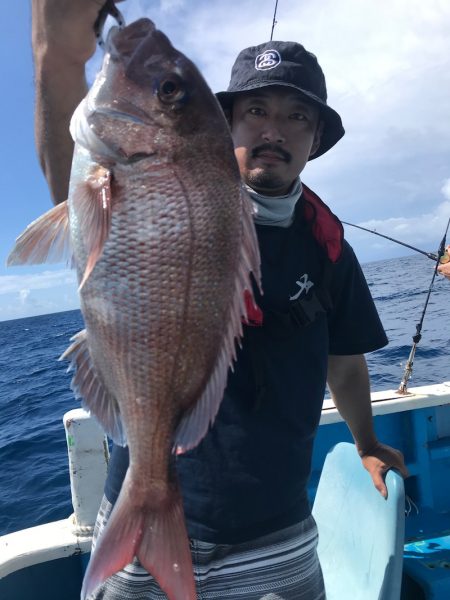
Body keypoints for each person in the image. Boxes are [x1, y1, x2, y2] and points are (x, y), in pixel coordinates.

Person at [31, 1, 409, 599]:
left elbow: (345, 357)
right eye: (256, 110)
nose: (273, 130)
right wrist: (55, 56)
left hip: (278, 533)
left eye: (296, 117)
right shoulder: (167, 198)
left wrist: (365, 442)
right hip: (146, 503)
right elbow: (74, 191)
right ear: (226, 124)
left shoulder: (328, 245)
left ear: (315, 140)